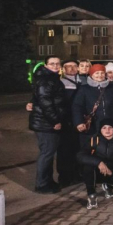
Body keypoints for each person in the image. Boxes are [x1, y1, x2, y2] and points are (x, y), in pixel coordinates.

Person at [29, 56, 66, 194]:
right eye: (52, 64)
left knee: (49, 153)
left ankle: (48, 181)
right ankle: (42, 184)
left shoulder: (51, 78)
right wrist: (55, 121)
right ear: (45, 65)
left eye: (57, 63)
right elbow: (46, 103)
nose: (56, 66)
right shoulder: (45, 80)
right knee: (46, 153)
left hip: (46, 122)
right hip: (45, 123)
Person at [76, 118, 113, 209]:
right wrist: (99, 163)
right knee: (88, 167)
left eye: (110, 128)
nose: (107, 130)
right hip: (96, 172)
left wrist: (112, 172)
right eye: (104, 128)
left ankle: (108, 186)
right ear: (100, 129)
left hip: (110, 171)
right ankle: (92, 195)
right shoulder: (94, 141)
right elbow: (80, 156)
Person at [72, 64, 113, 148]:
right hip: (93, 125)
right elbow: (77, 107)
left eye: (102, 73)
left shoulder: (111, 88)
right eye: (97, 73)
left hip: (110, 123)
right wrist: (79, 122)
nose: (100, 75)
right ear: (91, 74)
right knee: (92, 147)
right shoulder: (84, 89)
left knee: (109, 147)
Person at [58, 59, 82, 187]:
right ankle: (65, 177)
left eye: (74, 66)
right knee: (64, 150)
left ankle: (77, 174)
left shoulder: (82, 82)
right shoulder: (60, 83)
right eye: (69, 66)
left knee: (78, 149)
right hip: (66, 122)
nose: (72, 69)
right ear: (63, 69)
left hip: (79, 121)